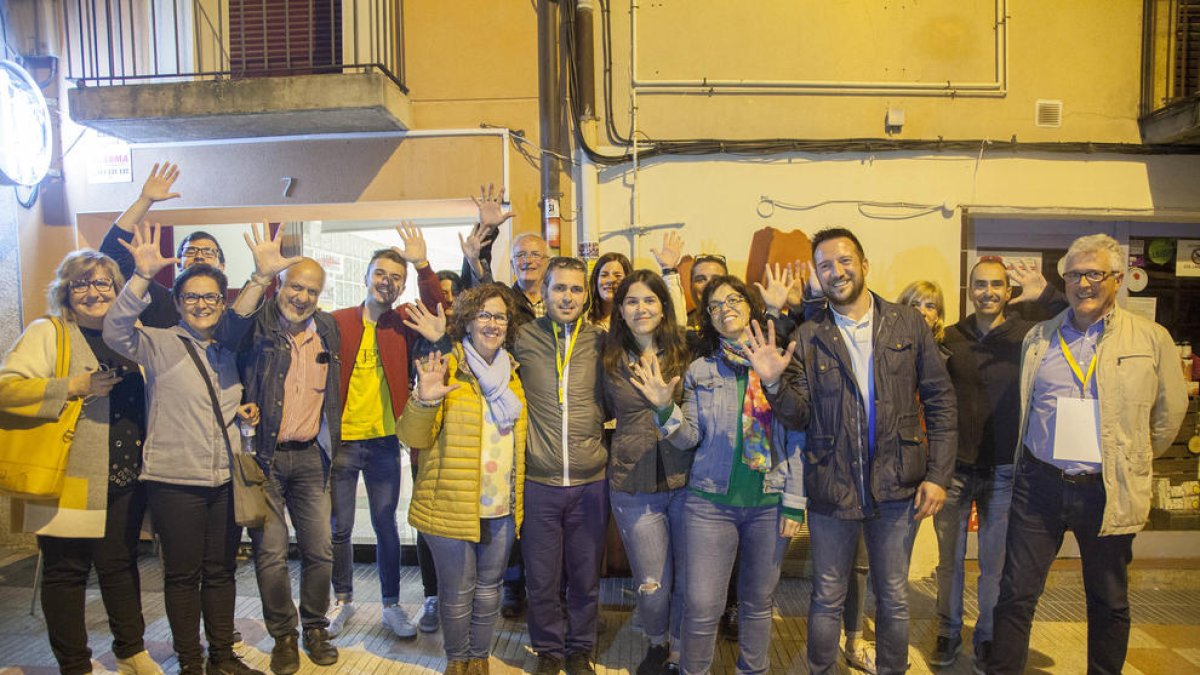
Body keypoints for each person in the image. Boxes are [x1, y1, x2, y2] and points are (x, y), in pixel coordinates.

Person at [987, 234, 1188, 675]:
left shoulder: (1152, 338)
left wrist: (1130, 459)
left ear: (1117, 279)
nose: (1083, 284)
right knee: (1016, 593)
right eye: (1074, 274)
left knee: (1108, 599)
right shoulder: (1040, 336)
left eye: (1094, 273)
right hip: (1039, 486)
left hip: (1107, 489)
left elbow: (1170, 413)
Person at [762, 227, 957, 675]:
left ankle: (893, 669)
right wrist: (774, 382)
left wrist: (938, 475)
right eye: (825, 265)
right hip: (833, 482)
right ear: (817, 274)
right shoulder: (811, 334)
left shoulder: (906, 323)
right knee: (827, 594)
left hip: (898, 485)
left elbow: (940, 400)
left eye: (844, 260)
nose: (836, 271)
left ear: (865, 264)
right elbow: (799, 416)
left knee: (893, 594)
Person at [104, 222, 284, 675]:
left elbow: (241, 332)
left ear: (221, 303)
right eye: (192, 297)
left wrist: (241, 413)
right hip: (173, 482)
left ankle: (223, 657)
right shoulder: (159, 342)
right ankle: (190, 662)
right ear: (179, 303)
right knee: (182, 577)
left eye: (211, 298)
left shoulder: (227, 350)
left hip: (224, 480)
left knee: (222, 572)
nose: (202, 305)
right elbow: (115, 330)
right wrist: (141, 277)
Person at [0, 251, 160, 675]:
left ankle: (131, 650)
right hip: (66, 475)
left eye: (102, 283)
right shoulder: (47, 332)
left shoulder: (130, 334)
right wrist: (73, 385)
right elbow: (6, 389)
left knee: (121, 566)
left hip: (124, 476)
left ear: (116, 288)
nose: (93, 292)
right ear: (66, 291)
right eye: (81, 284)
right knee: (65, 572)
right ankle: (74, 664)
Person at [658, 275, 804, 675]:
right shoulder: (700, 370)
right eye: (715, 305)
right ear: (708, 318)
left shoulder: (779, 361)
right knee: (703, 605)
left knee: (759, 603)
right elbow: (688, 439)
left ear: (751, 306)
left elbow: (797, 435)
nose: (726, 309)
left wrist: (795, 501)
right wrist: (662, 409)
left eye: (734, 299)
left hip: (769, 504)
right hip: (709, 503)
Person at [215, 236, 343, 675]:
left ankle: (315, 627)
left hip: (312, 457)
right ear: (280, 286)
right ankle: (283, 636)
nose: (303, 297)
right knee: (270, 554)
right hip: (263, 458)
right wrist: (261, 275)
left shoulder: (326, 328)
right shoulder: (259, 323)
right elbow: (228, 333)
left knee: (320, 551)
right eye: (295, 287)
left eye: (311, 291)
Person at [931, 259, 1065, 671]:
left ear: (1008, 292)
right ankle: (947, 632)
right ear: (969, 290)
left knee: (995, 564)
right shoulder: (951, 337)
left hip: (1006, 470)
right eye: (979, 285)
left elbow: (1072, 315)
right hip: (955, 470)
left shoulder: (1029, 335)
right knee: (949, 561)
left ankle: (987, 636)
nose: (987, 291)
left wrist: (1045, 293)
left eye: (996, 285)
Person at [399, 284, 528, 675]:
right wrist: (426, 400)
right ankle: (457, 659)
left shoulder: (513, 375)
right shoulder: (445, 365)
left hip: (501, 504)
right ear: (467, 322)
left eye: (500, 316)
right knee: (457, 591)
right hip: (451, 502)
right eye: (484, 315)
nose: (493, 323)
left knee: (490, 589)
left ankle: (479, 656)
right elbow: (412, 437)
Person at [326, 228, 447, 639]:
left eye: (396, 277)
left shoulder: (404, 322)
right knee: (339, 528)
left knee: (385, 525)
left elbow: (439, 308)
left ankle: (392, 605)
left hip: (383, 443)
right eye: (381, 273)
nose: (387, 282)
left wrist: (423, 265)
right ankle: (341, 600)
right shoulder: (337, 322)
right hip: (341, 442)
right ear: (367, 277)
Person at [513, 257, 608, 675]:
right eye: (559, 288)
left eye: (575, 289)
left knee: (585, 577)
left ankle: (579, 649)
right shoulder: (522, 338)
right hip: (540, 481)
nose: (567, 297)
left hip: (591, 481)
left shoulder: (600, 342)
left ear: (585, 295)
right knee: (542, 578)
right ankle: (550, 651)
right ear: (544, 293)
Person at [599, 270, 692, 674]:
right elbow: (594, 411)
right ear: (620, 310)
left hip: (689, 481)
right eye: (632, 301)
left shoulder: (687, 351)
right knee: (652, 583)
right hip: (633, 484)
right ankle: (657, 640)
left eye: (650, 300)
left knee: (690, 578)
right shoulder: (607, 359)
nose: (641, 308)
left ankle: (679, 651)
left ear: (664, 305)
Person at [99, 162, 232, 329]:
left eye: (208, 252)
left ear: (222, 265)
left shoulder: (233, 316)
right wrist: (144, 201)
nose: (199, 256)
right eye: (190, 251)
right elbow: (111, 254)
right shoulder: (160, 301)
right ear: (178, 263)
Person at [587, 252, 632, 330]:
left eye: (617, 276)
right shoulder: (585, 320)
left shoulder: (634, 320)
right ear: (596, 279)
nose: (610, 280)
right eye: (604, 275)